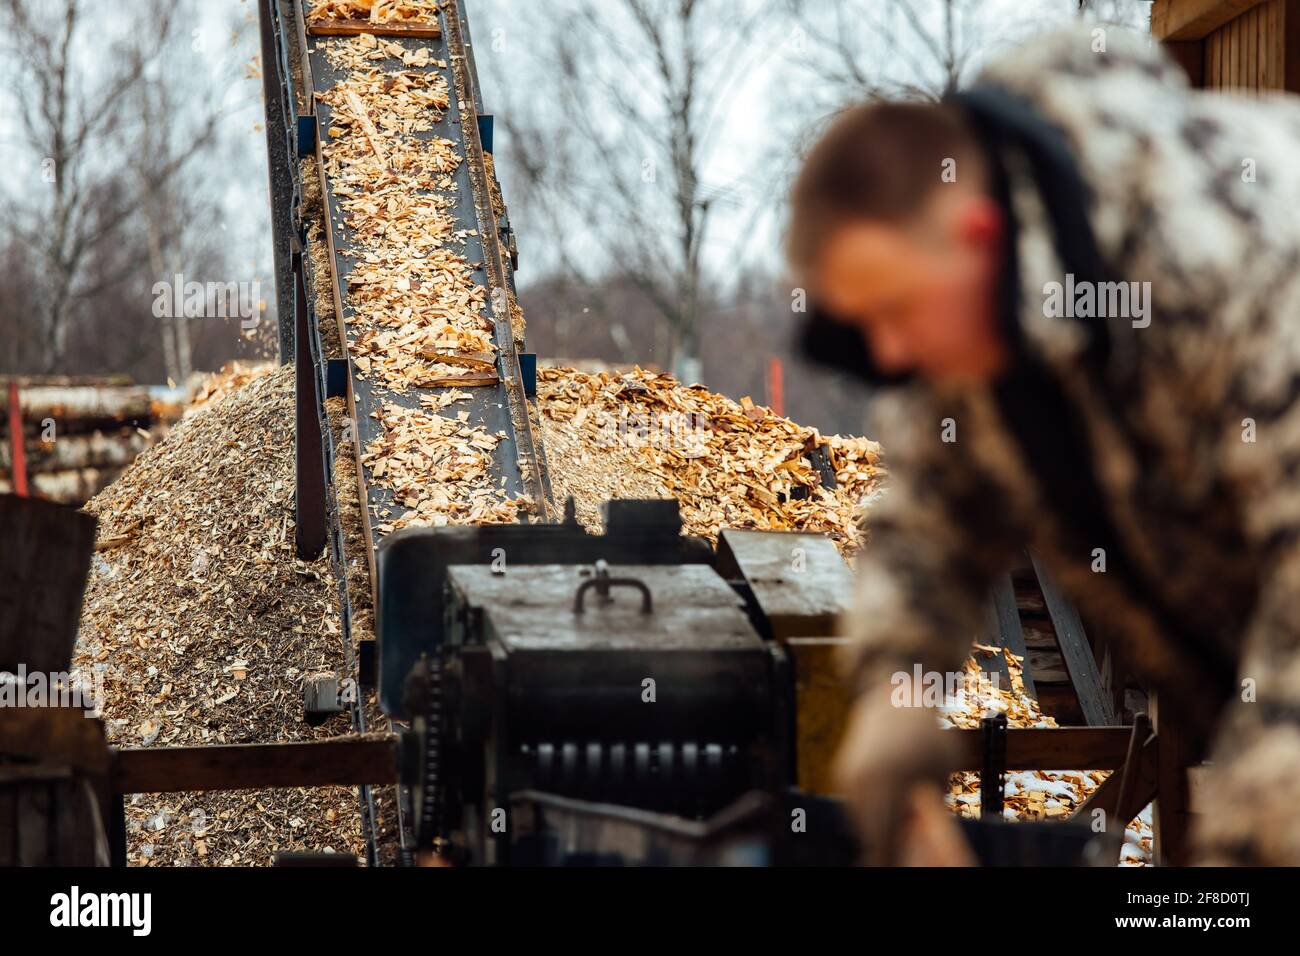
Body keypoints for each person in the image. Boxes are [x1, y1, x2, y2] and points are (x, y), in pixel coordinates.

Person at [787, 26, 1300, 865]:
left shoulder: (1225, 258)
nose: (887, 355)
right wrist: (897, 695)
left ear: (978, 236)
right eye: (861, 323)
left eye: (893, 308)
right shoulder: (977, 307)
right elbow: (929, 516)